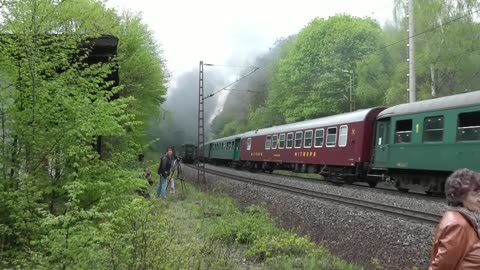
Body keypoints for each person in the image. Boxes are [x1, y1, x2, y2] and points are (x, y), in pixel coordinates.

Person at [429, 168, 480, 270]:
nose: (479, 198)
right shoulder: (458, 225)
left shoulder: (465, 218)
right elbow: (441, 267)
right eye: (474, 194)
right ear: (459, 196)